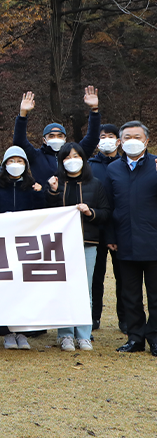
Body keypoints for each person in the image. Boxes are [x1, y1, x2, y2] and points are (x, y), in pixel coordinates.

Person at [46, 143, 110, 352]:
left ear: (83, 158)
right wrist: (53, 193)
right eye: (67, 157)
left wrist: (90, 212)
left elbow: (105, 212)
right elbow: (47, 214)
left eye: (76, 156)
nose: (72, 160)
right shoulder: (57, 183)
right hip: (61, 246)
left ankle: (84, 335)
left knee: (85, 289)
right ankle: (65, 334)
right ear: (61, 162)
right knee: (64, 287)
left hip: (87, 243)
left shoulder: (96, 184)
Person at [104, 121, 157, 357]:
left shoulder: (156, 166)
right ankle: (135, 338)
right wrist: (111, 236)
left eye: (137, 136)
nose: (132, 140)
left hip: (153, 241)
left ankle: (155, 337)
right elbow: (108, 205)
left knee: (156, 295)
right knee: (130, 295)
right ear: (120, 142)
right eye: (127, 137)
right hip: (124, 241)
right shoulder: (113, 169)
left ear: (146, 140)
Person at [0, 146, 45, 350]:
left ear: (26, 165)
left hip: (25, 243)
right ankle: (7, 332)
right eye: (11, 161)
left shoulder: (33, 187)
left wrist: (40, 193)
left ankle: (22, 332)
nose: (15, 165)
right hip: (2, 243)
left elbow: (42, 213)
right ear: (4, 165)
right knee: (6, 287)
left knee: (24, 287)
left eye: (19, 161)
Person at [13, 86, 101, 186]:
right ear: (44, 140)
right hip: (45, 199)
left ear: (65, 139)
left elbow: (92, 138)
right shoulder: (36, 156)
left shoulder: (74, 153)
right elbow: (19, 141)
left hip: (72, 199)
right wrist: (22, 115)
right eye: (51, 136)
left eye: (60, 136)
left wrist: (94, 110)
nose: (56, 139)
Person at [88, 124, 125, 333]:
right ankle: (93, 317)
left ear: (118, 141)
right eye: (103, 137)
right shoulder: (89, 165)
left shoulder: (125, 164)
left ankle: (125, 319)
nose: (107, 140)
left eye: (111, 136)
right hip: (96, 227)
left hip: (120, 228)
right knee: (96, 276)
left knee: (124, 277)